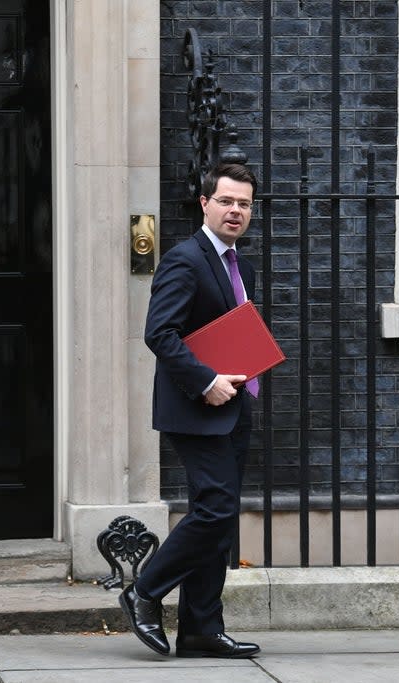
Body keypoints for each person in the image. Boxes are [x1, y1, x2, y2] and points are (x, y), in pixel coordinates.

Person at [119, 163, 261, 659]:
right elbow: (160, 333)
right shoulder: (186, 259)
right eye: (226, 201)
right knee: (217, 508)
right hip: (197, 406)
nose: (236, 211)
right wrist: (206, 381)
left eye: (243, 203)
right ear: (205, 203)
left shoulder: (230, 260)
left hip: (234, 405)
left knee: (218, 518)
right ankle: (144, 590)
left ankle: (201, 627)